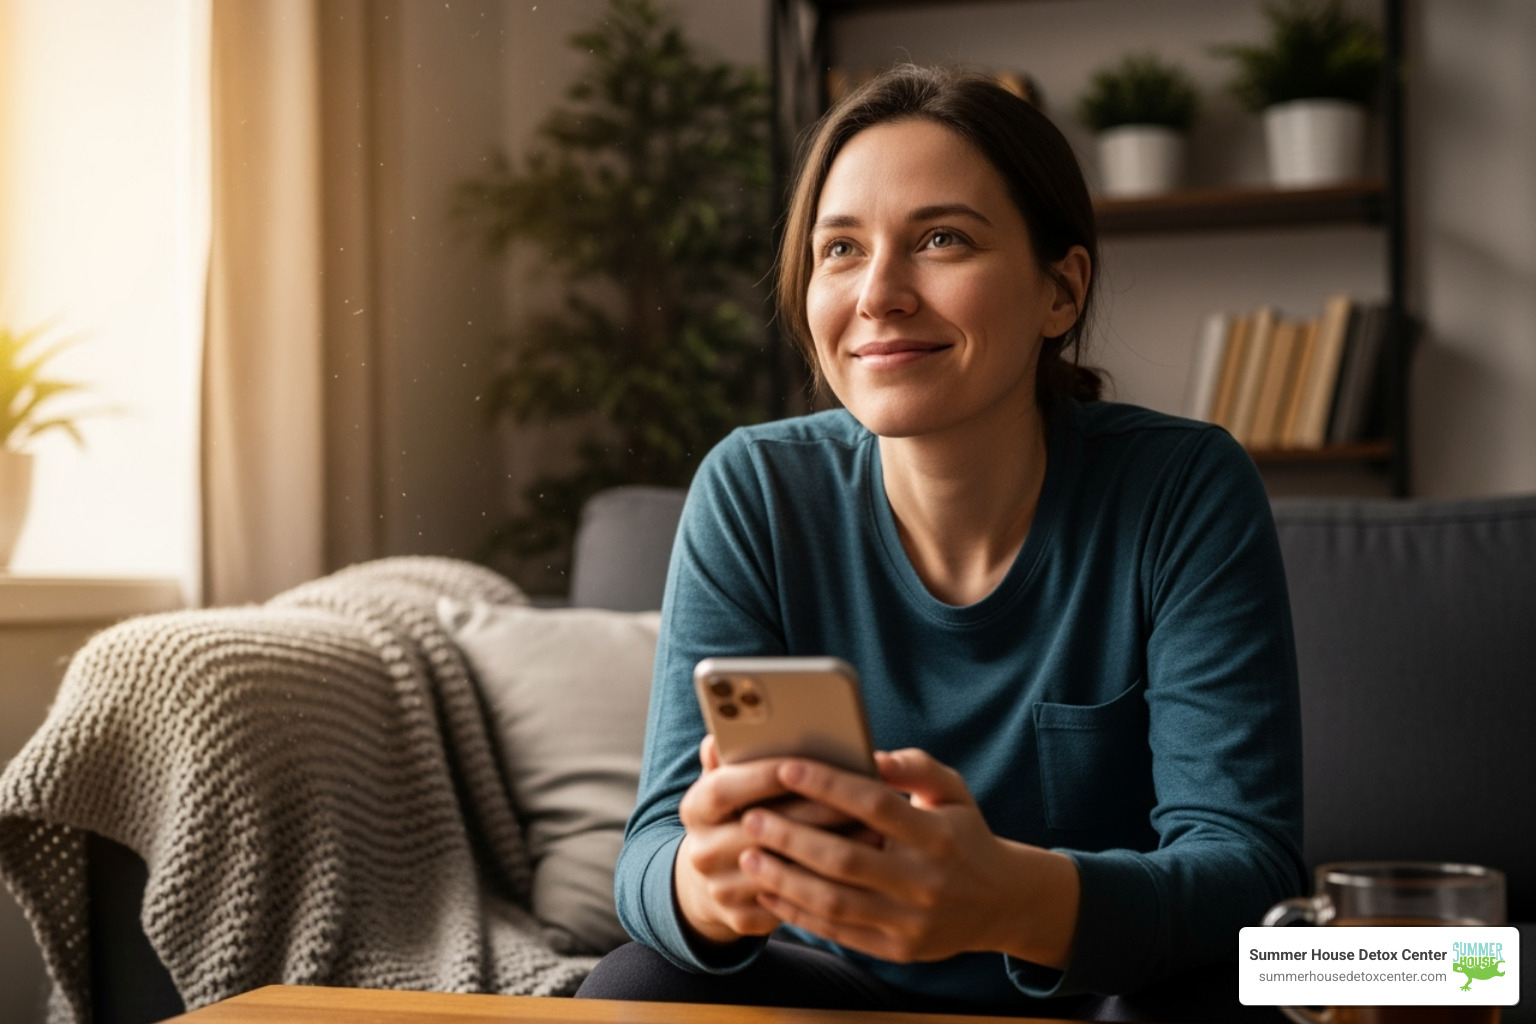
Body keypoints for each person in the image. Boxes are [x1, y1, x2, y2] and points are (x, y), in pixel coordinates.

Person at [576, 63, 1305, 1017]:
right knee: (636, 982)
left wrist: (1006, 898)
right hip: (838, 986)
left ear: (1061, 290)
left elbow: (1249, 872)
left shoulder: (1182, 488)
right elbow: (648, 858)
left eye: (942, 239)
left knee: (1314, 979)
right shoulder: (755, 489)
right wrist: (706, 888)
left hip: (1105, 991)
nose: (879, 293)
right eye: (841, 249)